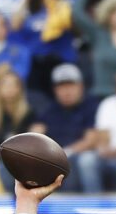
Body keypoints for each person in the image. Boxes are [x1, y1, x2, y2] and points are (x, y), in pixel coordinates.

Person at [31, 63, 101, 194]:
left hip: (79, 153)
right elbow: (35, 134)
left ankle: (95, 204)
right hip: (54, 156)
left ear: (80, 86)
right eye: (61, 87)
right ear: (55, 90)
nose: (66, 91)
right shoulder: (50, 110)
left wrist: (66, 153)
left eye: (70, 85)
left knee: (87, 160)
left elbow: (91, 140)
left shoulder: (91, 106)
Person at [13, 0, 76, 94]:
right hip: (35, 62)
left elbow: (75, 28)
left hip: (61, 59)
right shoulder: (28, 1)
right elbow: (15, 25)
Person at [0, 69, 35, 191]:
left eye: (13, 85)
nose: (9, 88)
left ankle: (16, 202)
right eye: (5, 85)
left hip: (22, 161)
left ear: (20, 88)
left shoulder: (29, 114)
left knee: (7, 166)